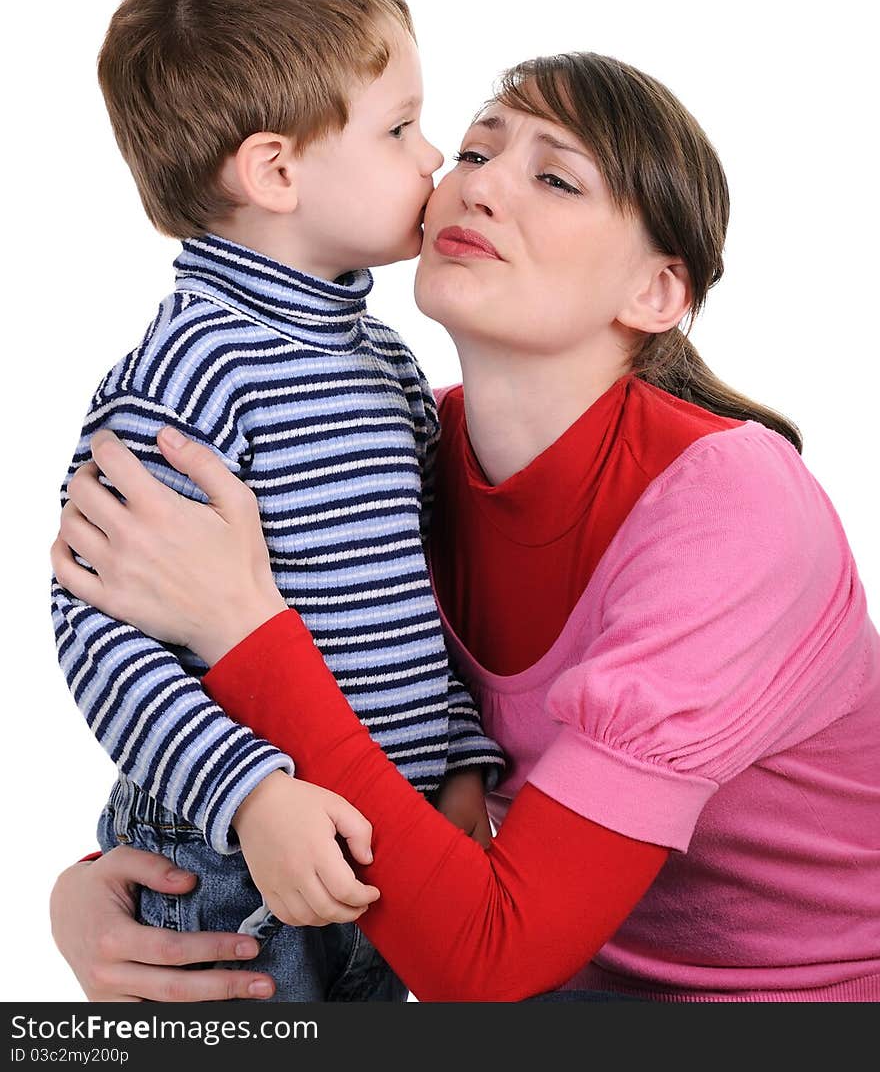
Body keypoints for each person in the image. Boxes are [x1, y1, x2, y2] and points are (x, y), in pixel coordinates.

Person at [52, 52, 880, 1003]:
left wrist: (245, 632)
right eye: (476, 148)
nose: (479, 184)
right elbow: (322, 694)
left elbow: (485, 964)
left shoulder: (732, 512)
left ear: (656, 292)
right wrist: (106, 890)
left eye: (555, 176)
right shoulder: (396, 448)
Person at [50, 0, 505, 1003]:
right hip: (226, 867)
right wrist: (251, 796)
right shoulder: (191, 370)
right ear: (275, 171)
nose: (433, 156)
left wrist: (458, 758)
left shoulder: (387, 365)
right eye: (399, 128)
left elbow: (419, 594)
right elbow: (95, 630)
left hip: (380, 842)